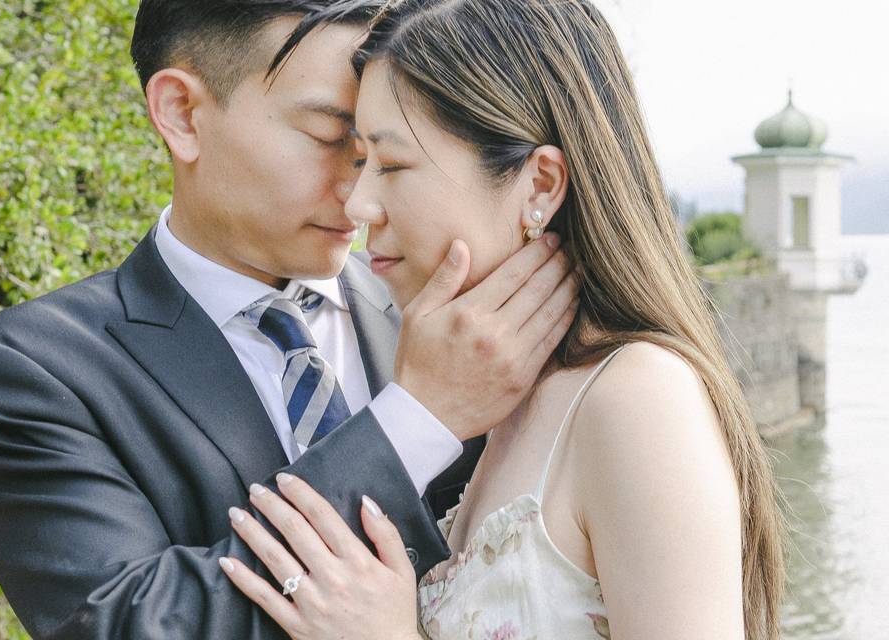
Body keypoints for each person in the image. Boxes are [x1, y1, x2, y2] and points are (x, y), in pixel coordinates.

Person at [0, 1, 581, 638]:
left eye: (382, 151)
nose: (361, 193)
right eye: (332, 138)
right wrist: (416, 422)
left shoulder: (479, 313)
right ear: (182, 113)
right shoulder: (24, 373)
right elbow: (130, 623)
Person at [220, 1, 786, 639]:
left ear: (540, 184)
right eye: (359, 162)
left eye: (393, 165)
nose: (360, 203)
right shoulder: (500, 400)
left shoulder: (635, 396)